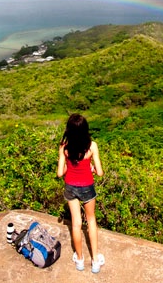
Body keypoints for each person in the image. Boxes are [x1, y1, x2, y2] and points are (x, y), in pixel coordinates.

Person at [57, 113, 105, 273]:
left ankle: (79, 260)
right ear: (85, 129)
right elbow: (99, 172)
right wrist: (90, 167)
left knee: (76, 224)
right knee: (91, 220)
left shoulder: (64, 147)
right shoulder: (92, 146)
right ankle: (95, 261)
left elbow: (59, 173)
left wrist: (68, 167)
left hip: (70, 187)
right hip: (87, 187)